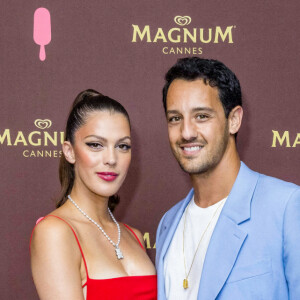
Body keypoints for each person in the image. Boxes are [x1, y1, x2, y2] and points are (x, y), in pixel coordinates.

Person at [155, 57, 300, 300]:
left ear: (234, 120)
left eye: (201, 116)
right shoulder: (167, 224)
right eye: (175, 118)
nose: (186, 132)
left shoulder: (286, 207)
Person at [30, 89, 157, 300]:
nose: (111, 159)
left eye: (122, 146)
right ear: (70, 151)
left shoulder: (134, 236)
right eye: (95, 145)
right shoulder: (55, 232)